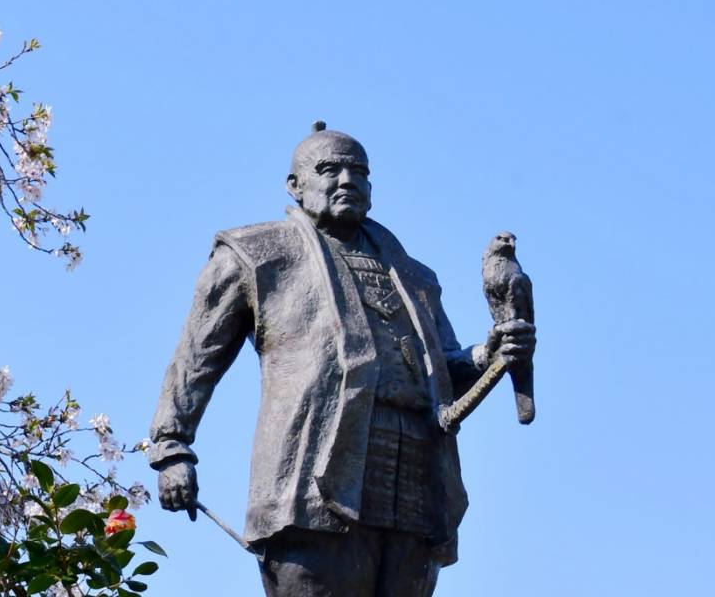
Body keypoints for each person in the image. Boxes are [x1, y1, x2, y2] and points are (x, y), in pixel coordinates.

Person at [148, 123, 535, 597]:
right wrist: (173, 447)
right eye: (329, 169)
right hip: (311, 476)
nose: (346, 180)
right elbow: (197, 356)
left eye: (359, 172)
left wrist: (490, 353)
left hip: (415, 472)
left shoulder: (414, 275)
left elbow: (446, 367)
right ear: (295, 185)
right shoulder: (257, 254)